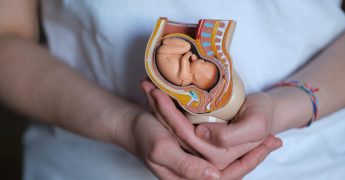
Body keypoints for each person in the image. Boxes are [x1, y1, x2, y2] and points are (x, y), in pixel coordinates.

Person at [0, 0, 344, 180]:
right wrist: (122, 124)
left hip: (308, 163)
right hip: (87, 163)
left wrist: (285, 107)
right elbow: (6, 38)